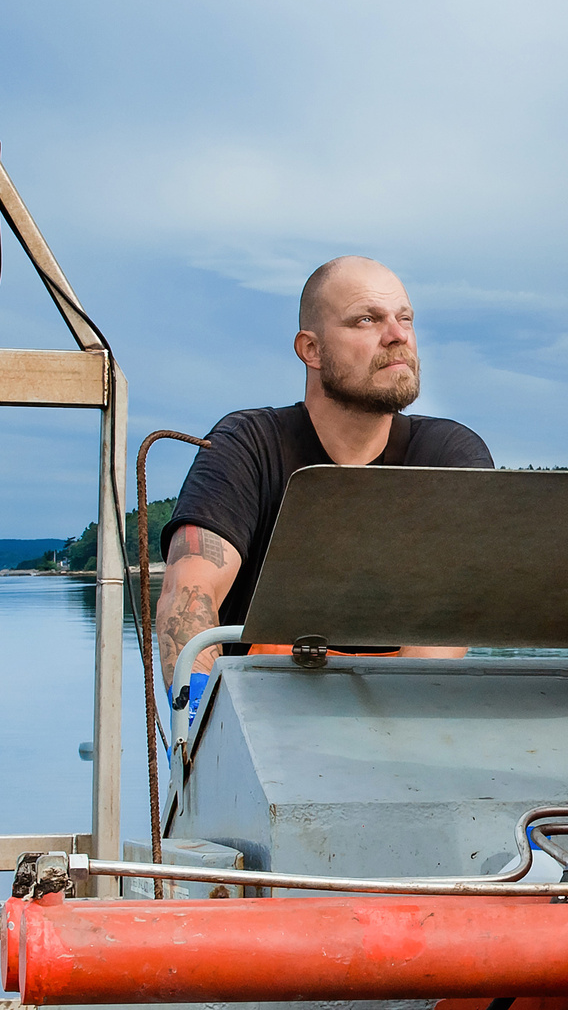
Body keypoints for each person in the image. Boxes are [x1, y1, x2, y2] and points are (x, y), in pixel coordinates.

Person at [159, 256, 494, 697]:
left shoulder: (447, 457)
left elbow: (443, 628)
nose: (397, 335)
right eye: (366, 320)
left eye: (405, 318)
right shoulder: (248, 446)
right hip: (257, 719)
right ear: (310, 350)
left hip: (401, 716)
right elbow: (189, 591)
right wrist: (201, 721)